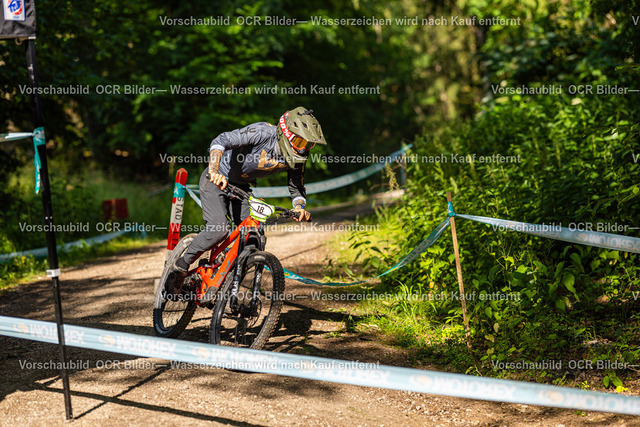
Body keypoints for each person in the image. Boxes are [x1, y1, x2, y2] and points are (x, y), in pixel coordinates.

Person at [166, 106, 326, 294]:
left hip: (241, 188)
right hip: (216, 180)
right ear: (285, 133)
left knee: (253, 239)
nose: (303, 148)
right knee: (218, 229)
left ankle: (223, 275)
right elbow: (221, 140)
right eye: (299, 141)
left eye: (308, 144)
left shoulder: (297, 157)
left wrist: (299, 206)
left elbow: (296, 185)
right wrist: (214, 170)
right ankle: (180, 266)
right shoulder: (262, 133)